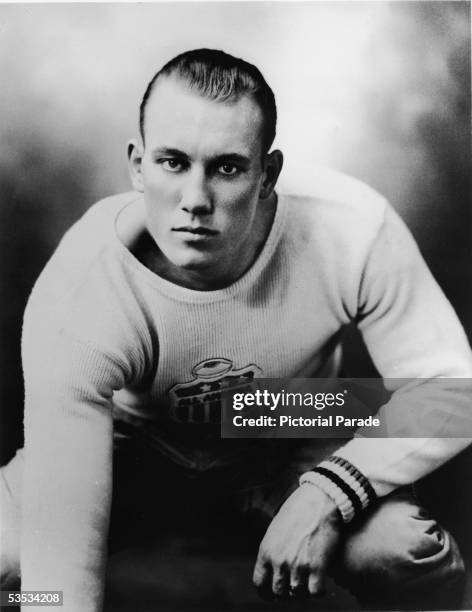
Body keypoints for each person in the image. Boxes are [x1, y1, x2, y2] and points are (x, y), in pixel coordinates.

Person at [1, 48, 471, 611]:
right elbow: (61, 582)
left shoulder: (350, 227)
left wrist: (333, 488)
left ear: (267, 174)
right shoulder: (80, 289)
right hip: (127, 438)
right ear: (137, 164)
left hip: (285, 417)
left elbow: (455, 389)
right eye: (173, 162)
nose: (195, 201)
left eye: (227, 167)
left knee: (405, 553)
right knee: (18, 565)